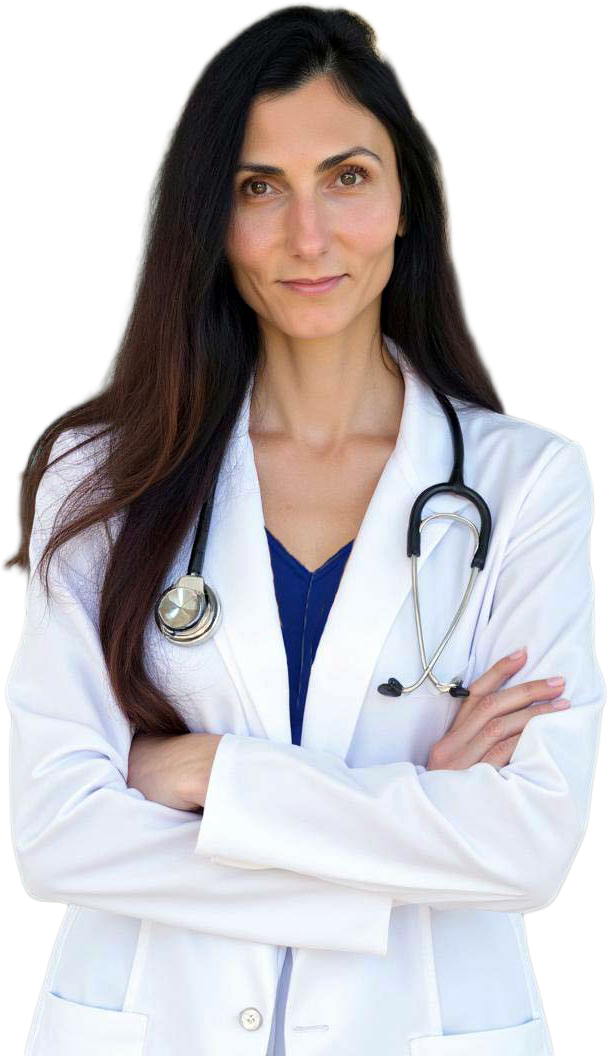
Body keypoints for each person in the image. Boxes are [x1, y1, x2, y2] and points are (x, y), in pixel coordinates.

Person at [4, 6, 604, 1056]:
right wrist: (419, 822)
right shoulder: (103, 476)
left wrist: (201, 775)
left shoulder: (525, 484)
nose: (308, 236)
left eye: (347, 177)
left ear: (406, 202)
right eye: (258, 188)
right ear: (209, 218)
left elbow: (525, 848)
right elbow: (59, 837)